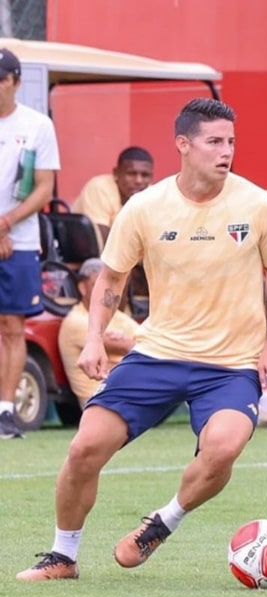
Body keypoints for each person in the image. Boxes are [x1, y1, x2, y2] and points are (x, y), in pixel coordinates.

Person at [16, 97, 267, 581]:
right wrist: (95, 338)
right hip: (158, 354)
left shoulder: (258, 204)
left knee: (223, 448)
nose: (226, 151)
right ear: (183, 145)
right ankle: (63, 556)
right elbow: (111, 277)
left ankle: (163, 522)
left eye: (230, 141)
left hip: (232, 364)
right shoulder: (145, 208)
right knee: (84, 449)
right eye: (214, 142)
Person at [0, 48, 61, 440]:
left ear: (15, 82)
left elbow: (44, 187)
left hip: (18, 241)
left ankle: (5, 409)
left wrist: (6, 224)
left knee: (11, 326)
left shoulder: (37, 125)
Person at [57, 257, 139, 407]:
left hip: (131, 392)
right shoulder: (75, 321)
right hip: (103, 400)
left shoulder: (118, 316)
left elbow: (151, 343)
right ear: (83, 288)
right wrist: (127, 342)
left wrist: (127, 341)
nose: (107, 293)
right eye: (98, 286)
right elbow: (135, 348)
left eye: (110, 286)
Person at [72, 146, 154, 247]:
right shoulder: (99, 187)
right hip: (91, 254)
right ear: (116, 173)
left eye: (145, 175)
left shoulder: (153, 194)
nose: (138, 181)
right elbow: (102, 238)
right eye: (131, 174)